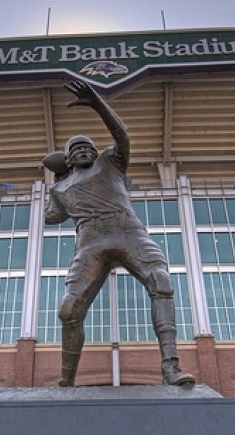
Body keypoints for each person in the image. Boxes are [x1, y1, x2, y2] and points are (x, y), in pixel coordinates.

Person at [43, 80, 195, 387]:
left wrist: (97, 102)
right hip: (90, 242)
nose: (85, 150)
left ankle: (171, 367)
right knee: (69, 309)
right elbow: (51, 218)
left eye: (89, 146)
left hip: (128, 231)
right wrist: (56, 180)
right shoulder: (60, 188)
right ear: (68, 158)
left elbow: (121, 135)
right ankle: (66, 379)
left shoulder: (109, 162)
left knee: (161, 283)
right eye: (77, 148)